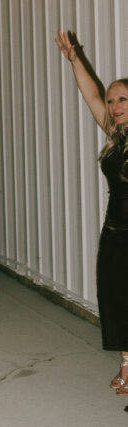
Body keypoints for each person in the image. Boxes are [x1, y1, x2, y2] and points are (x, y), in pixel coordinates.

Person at [55, 31, 128, 395]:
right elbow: (91, 95)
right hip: (114, 232)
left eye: (123, 99)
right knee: (116, 300)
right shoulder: (115, 134)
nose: (114, 105)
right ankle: (127, 365)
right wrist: (75, 60)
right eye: (113, 100)